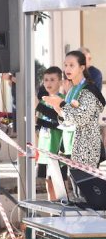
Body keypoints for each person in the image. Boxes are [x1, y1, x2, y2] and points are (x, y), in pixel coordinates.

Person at [43, 51, 106, 173]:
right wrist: (59, 110)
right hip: (71, 148)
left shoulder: (88, 91)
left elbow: (81, 118)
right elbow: (68, 118)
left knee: (86, 190)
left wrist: (61, 104)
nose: (67, 68)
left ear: (82, 67)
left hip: (85, 150)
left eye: (71, 65)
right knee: (76, 191)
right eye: (65, 65)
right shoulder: (72, 89)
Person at [34, 67, 67, 200]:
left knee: (60, 185)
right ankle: (52, 215)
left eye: (52, 80)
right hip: (44, 151)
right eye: (46, 80)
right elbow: (40, 127)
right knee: (49, 185)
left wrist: (39, 120)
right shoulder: (42, 101)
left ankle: (62, 214)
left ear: (60, 82)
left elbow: (59, 123)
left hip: (56, 151)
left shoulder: (63, 100)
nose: (49, 83)